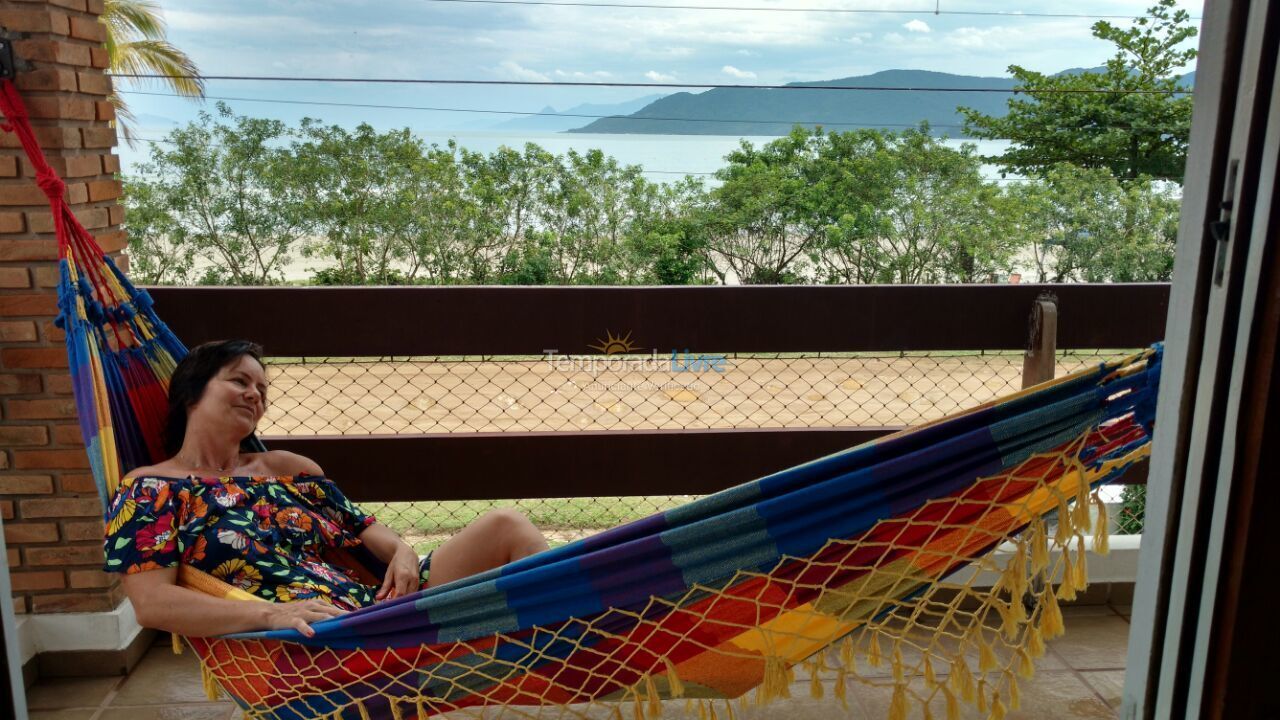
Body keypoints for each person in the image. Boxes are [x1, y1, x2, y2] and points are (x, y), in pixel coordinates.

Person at [104, 340, 549, 638]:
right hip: (320, 641)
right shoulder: (150, 490)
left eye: (262, 389)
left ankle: (562, 653)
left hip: (381, 607)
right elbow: (153, 603)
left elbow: (368, 530)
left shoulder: (288, 469)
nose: (255, 395)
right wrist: (271, 615)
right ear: (190, 393)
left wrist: (404, 553)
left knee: (506, 525)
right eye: (239, 381)